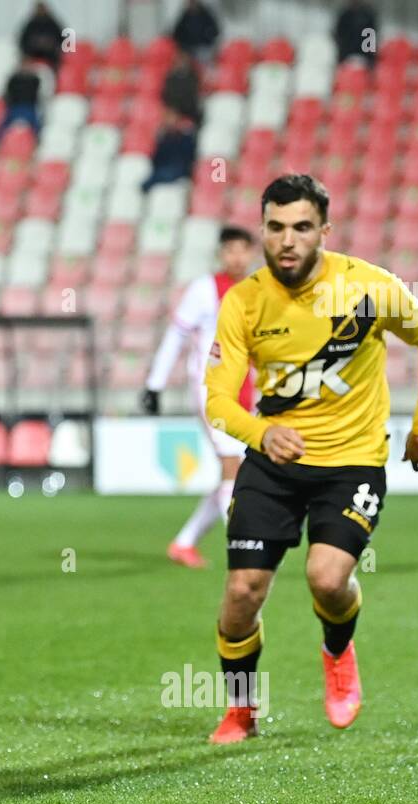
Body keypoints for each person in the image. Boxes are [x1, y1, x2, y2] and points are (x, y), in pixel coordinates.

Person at [202, 174, 418, 744]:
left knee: (327, 578)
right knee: (242, 592)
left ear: (324, 231)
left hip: (354, 461)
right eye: (275, 227)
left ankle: (338, 651)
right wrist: (261, 433)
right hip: (274, 461)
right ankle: (241, 710)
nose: (287, 240)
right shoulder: (244, 302)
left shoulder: (367, 288)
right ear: (262, 229)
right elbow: (216, 401)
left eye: (301, 227)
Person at [143, 226, 256, 568]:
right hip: (212, 388)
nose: (236, 256)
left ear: (251, 253)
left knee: (235, 472)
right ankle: (245, 546)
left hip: (246, 389)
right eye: (230, 250)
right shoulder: (204, 290)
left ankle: (184, 543)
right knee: (232, 465)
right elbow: (176, 337)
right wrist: (154, 384)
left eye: (242, 250)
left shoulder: (259, 290)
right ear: (221, 253)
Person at [141, 109, 197, 192]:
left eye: (172, 119)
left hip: (179, 170)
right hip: (165, 170)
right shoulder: (164, 139)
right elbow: (156, 159)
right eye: (167, 119)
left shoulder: (185, 138)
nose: (169, 122)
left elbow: (189, 156)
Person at [0, 59, 43, 140]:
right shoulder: (14, 79)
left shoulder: (35, 80)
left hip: (29, 107)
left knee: (36, 125)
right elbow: (8, 93)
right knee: (3, 124)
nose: (25, 68)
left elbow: (37, 94)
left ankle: (37, 142)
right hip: (15, 107)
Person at [171, 0, 220, 65]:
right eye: (190, 2)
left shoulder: (205, 13)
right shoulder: (185, 15)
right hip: (188, 50)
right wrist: (182, 45)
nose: (192, 4)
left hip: (204, 48)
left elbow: (215, 30)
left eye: (193, 2)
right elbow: (176, 33)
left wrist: (207, 38)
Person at [18, 2, 64, 70]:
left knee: (58, 63)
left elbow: (61, 36)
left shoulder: (52, 23)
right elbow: (22, 40)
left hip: (50, 51)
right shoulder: (31, 24)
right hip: (33, 51)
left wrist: (53, 45)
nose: (41, 11)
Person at [160, 49, 201, 125]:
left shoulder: (193, 77)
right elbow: (166, 94)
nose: (181, 63)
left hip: (189, 111)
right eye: (179, 60)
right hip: (173, 108)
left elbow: (193, 97)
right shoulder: (170, 77)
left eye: (183, 61)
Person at [335, 0, 378, 67]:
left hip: (365, 54)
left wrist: (371, 56)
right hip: (346, 54)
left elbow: (372, 36)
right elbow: (339, 34)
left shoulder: (368, 15)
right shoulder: (344, 15)